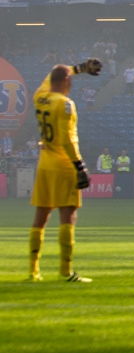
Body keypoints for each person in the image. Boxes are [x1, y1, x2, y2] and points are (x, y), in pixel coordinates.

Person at [27, 59, 101, 284]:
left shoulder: (39, 97)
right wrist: (80, 166)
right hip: (63, 164)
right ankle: (66, 271)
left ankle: (33, 271)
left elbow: (50, 78)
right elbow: (68, 140)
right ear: (66, 81)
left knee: (40, 217)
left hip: (44, 164)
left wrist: (78, 69)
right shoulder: (65, 104)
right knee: (68, 215)